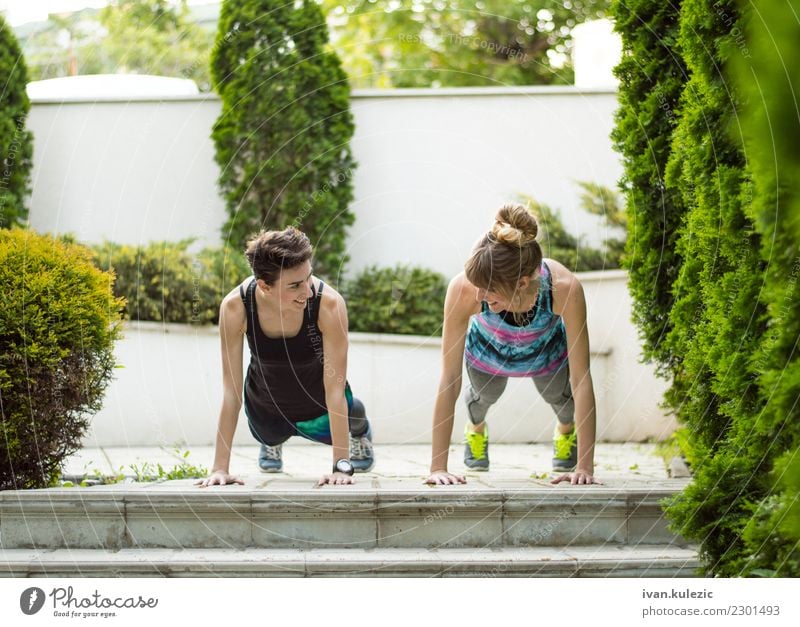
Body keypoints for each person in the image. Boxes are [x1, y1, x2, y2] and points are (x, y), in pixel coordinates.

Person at [425, 204, 601, 486]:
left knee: (563, 401)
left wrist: (585, 468)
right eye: (477, 285)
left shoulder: (564, 288)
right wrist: (437, 468)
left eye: (490, 289)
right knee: (483, 399)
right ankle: (476, 429)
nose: (479, 295)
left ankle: (566, 432)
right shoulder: (464, 289)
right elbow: (449, 380)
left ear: (522, 282)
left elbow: (581, 379)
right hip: (488, 355)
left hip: (546, 354)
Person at [197, 227, 374, 487]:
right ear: (265, 286)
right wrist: (219, 468)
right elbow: (231, 392)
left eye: (309, 278)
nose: (308, 291)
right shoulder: (235, 307)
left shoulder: (329, 305)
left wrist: (341, 468)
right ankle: (273, 444)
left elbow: (334, 391)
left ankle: (360, 435)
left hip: (318, 402)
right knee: (268, 435)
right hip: (266, 403)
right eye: (295, 285)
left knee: (351, 412)